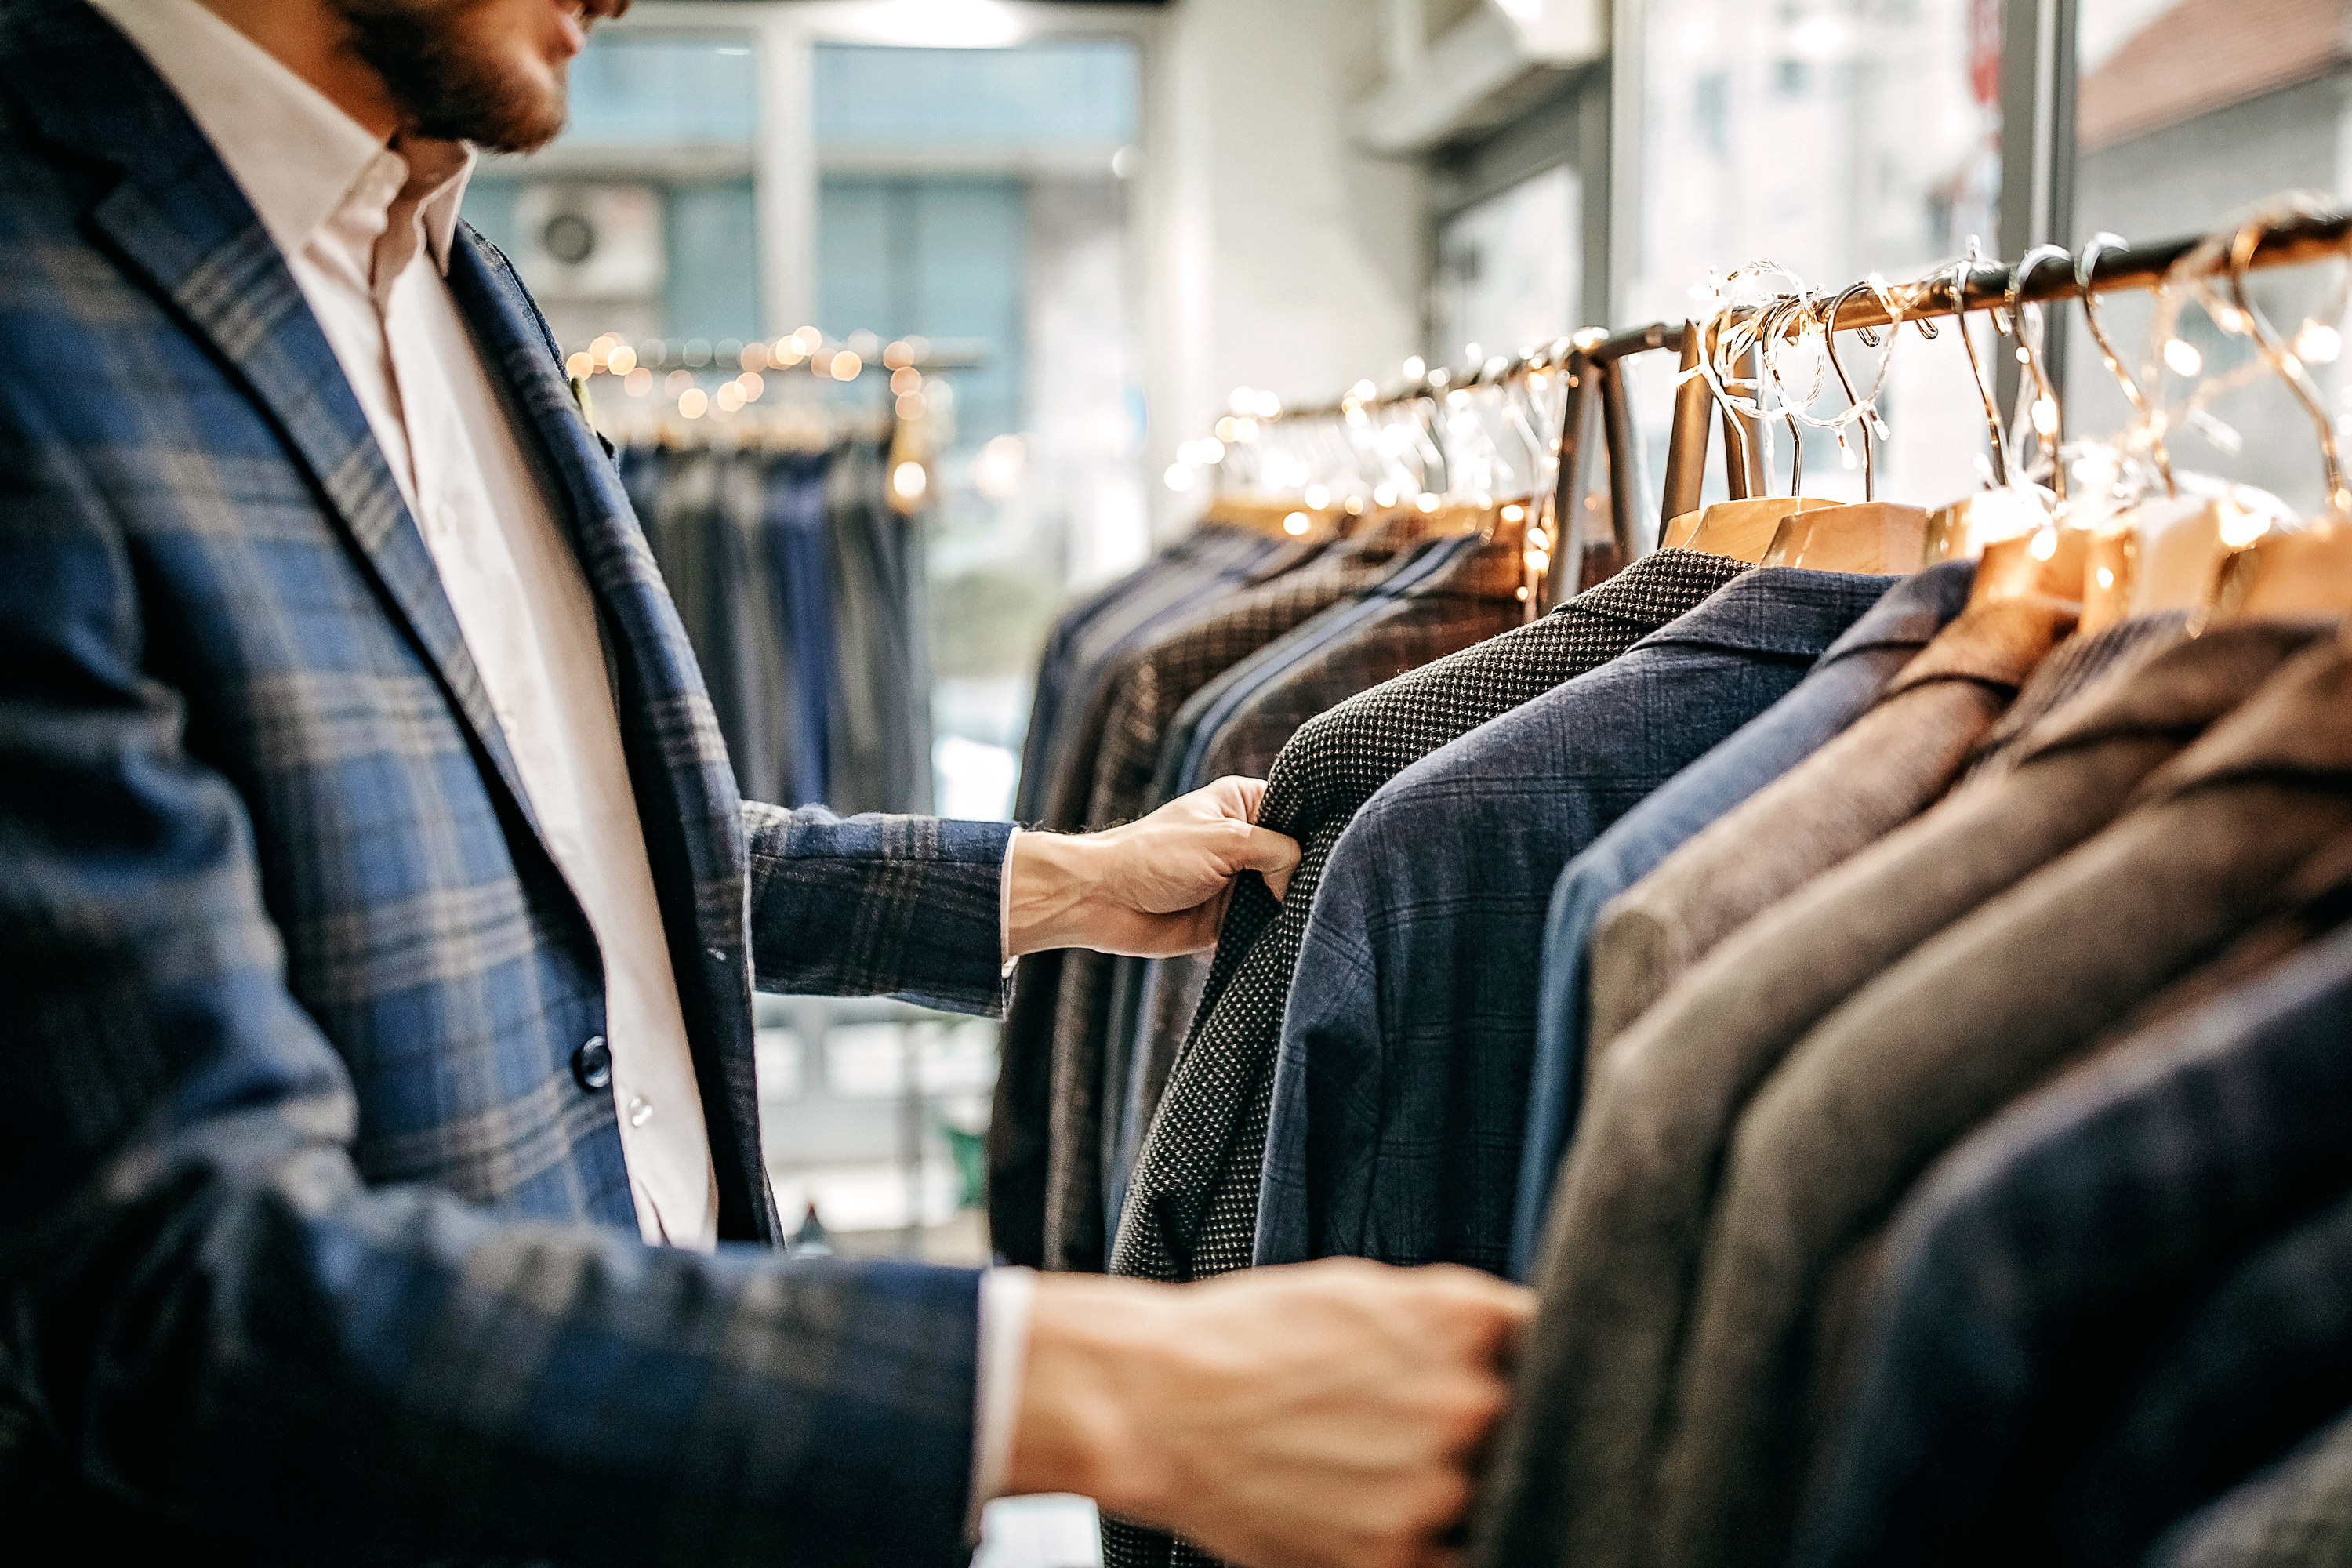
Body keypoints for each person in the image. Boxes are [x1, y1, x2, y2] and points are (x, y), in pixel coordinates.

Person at [0, 0, 1533, 1563]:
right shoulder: (38, 318)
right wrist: (1088, 1386)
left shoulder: (457, 278)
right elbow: (174, 1281)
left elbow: (567, 860)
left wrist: (1058, 879)